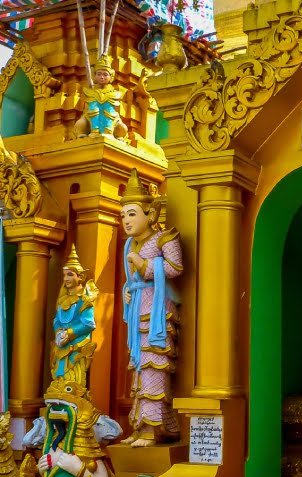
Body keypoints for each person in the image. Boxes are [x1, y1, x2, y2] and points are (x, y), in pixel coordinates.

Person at [119, 169, 181, 447]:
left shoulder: (164, 239)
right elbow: (131, 281)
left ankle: (152, 430)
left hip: (157, 313)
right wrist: (126, 292)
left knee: (155, 364)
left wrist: (144, 265)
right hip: (137, 312)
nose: (126, 220)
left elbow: (175, 268)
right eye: (123, 215)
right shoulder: (130, 244)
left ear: (150, 215)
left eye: (132, 213)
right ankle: (144, 426)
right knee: (139, 368)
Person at [51, 245, 99, 384]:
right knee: (59, 376)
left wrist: (70, 333)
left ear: (81, 276)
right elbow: (57, 320)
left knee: (73, 378)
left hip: (77, 344)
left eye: (70, 274)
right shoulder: (62, 299)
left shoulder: (84, 299)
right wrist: (59, 332)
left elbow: (88, 323)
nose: (66, 278)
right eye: (65, 275)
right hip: (61, 344)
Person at [73, 55, 128, 139]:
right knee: (82, 122)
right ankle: (93, 131)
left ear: (111, 77)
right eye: (99, 74)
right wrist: (94, 131)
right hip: (90, 122)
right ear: (94, 76)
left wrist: (108, 131)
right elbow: (92, 110)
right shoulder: (90, 92)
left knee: (122, 127)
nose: (102, 77)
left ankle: (108, 132)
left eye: (105, 75)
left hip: (111, 124)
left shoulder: (114, 94)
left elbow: (110, 112)